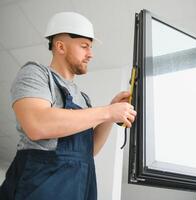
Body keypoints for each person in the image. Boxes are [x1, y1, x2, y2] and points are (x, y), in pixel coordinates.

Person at [0, 11, 136, 200]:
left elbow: (90, 151)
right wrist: (106, 112)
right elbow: (37, 124)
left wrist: (110, 115)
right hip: (39, 186)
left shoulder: (83, 98)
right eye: (84, 46)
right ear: (60, 46)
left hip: (79, 186)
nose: (91, 54)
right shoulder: (36, 74)